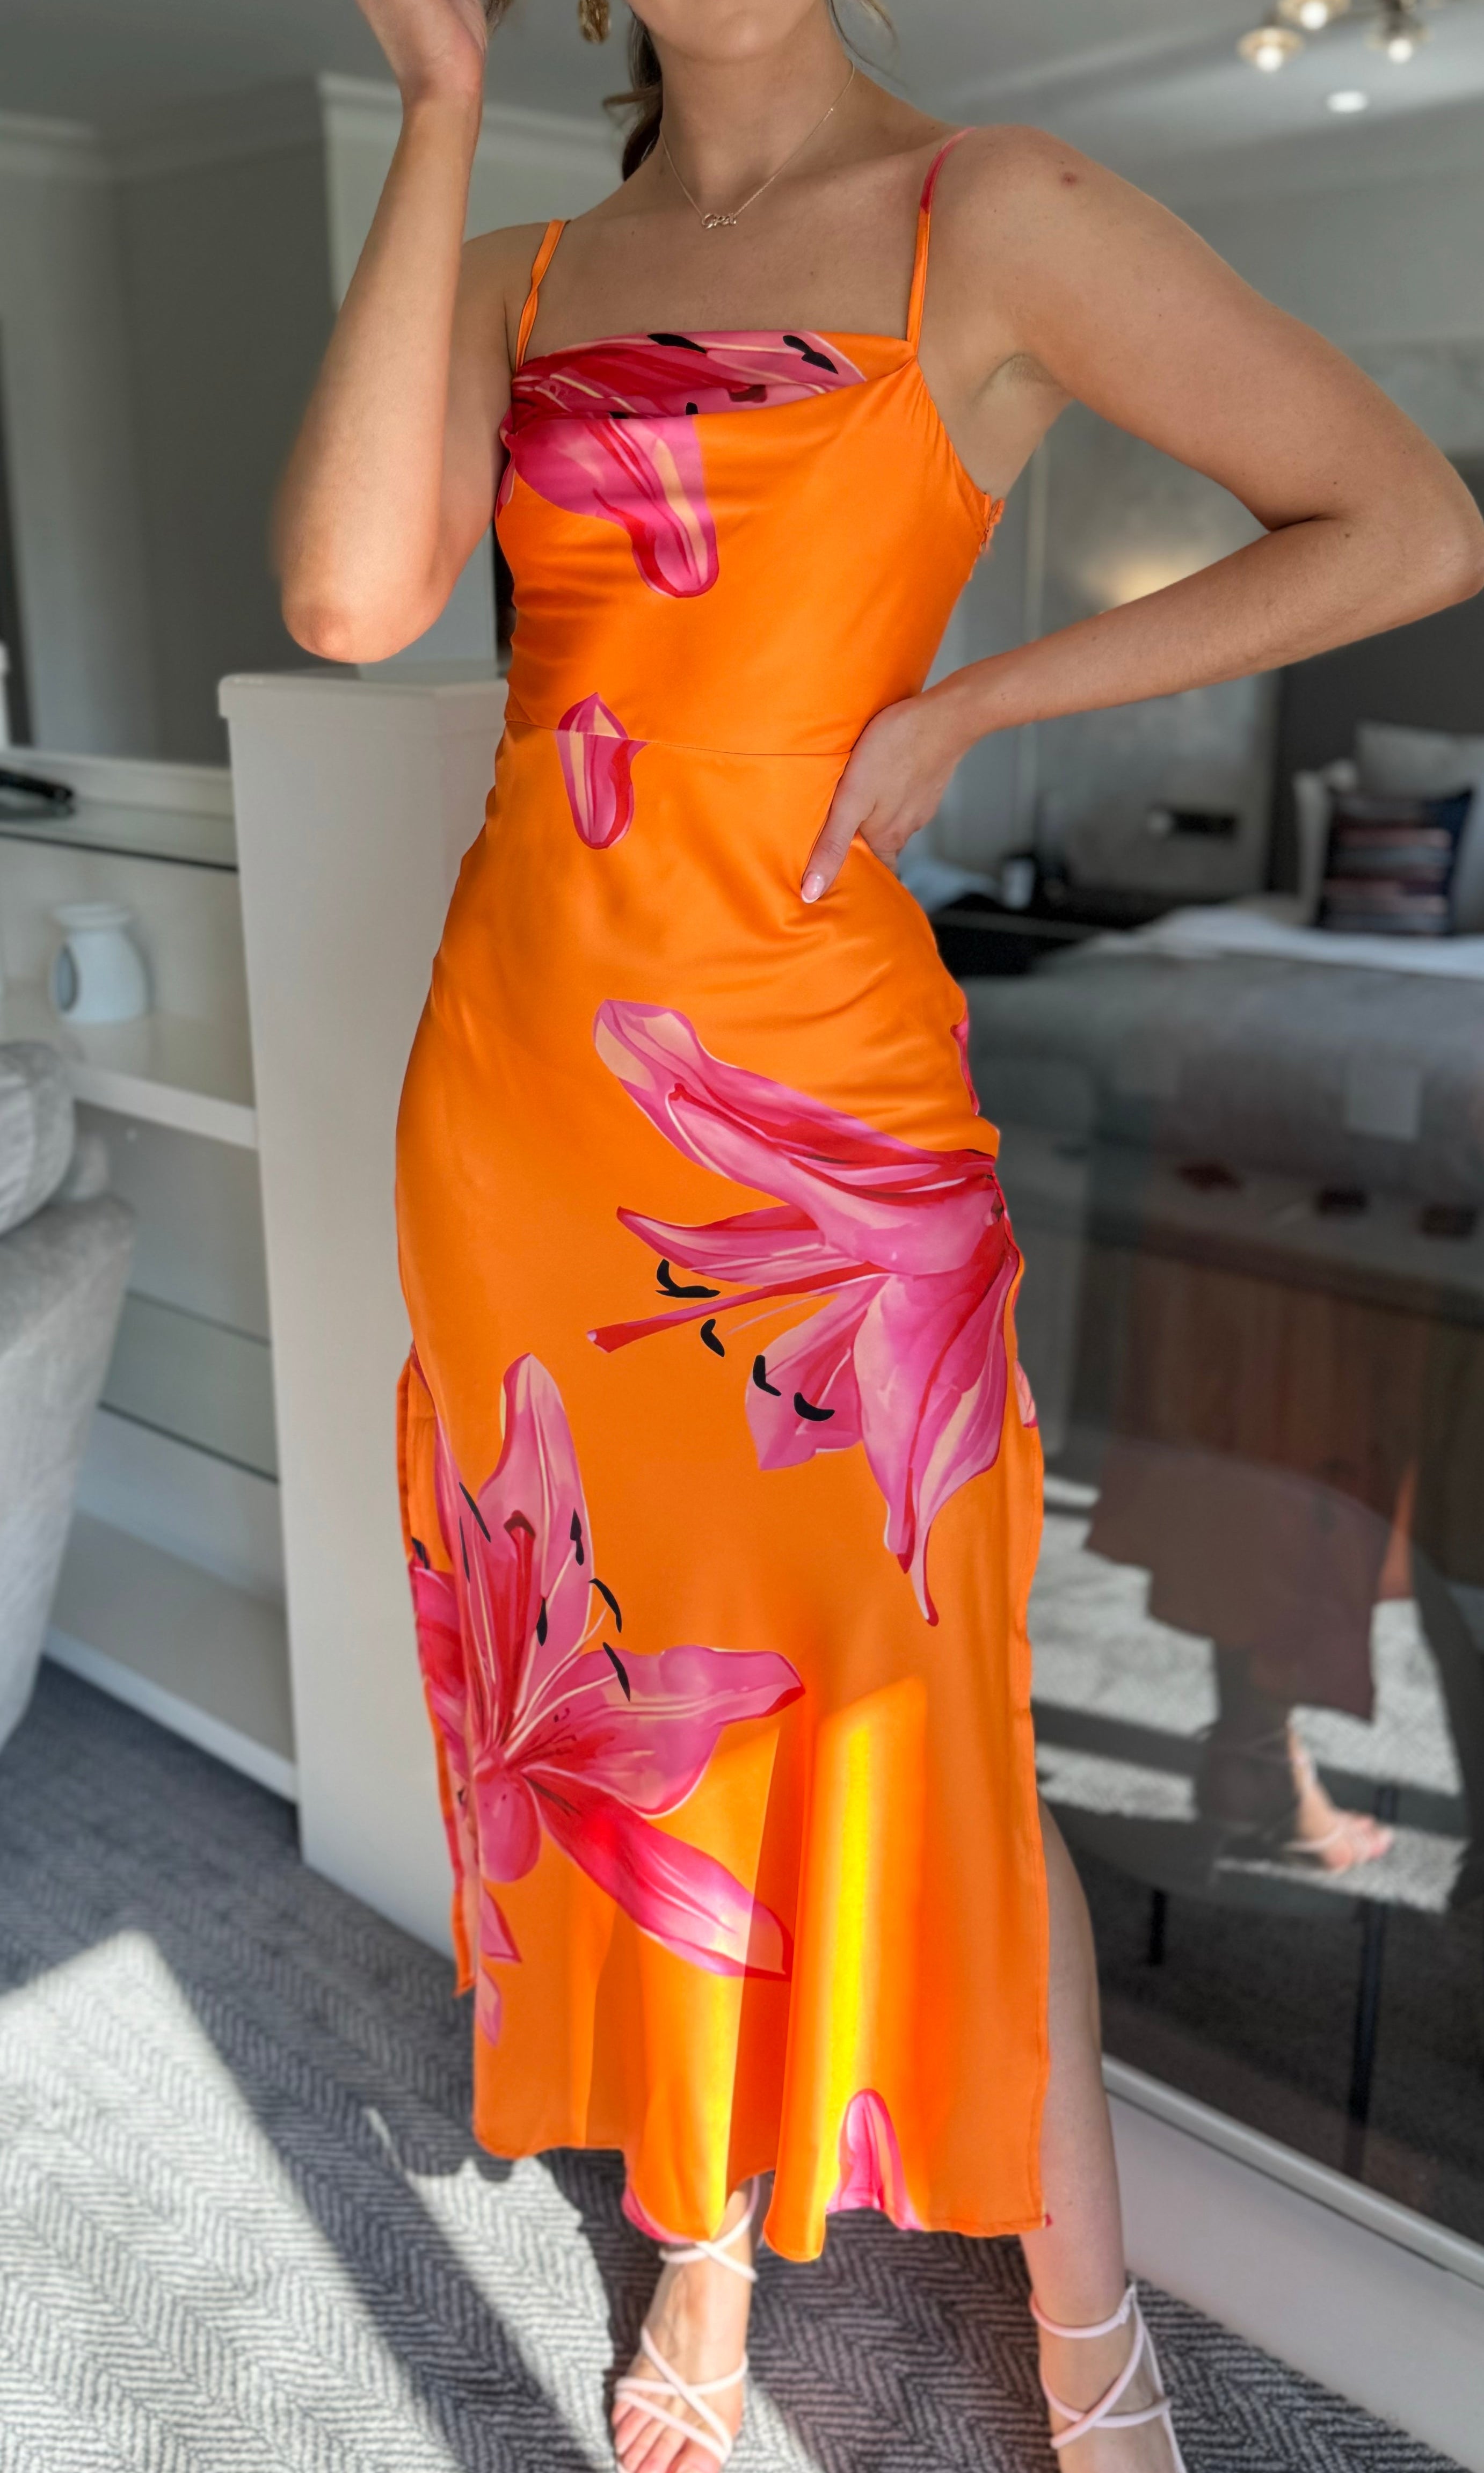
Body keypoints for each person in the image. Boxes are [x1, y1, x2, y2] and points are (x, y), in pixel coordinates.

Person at [275, 4, 1484, 2467]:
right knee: (635, 1710)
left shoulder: (991, 212)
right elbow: (344, 601)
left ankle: (1084, 2321)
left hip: (817, 1120)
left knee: (924, 1711)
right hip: (522, 1102)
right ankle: (705, 2249)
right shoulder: (520, 268)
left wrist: (976, 709)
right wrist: (433, 110)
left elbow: (1405, 524)